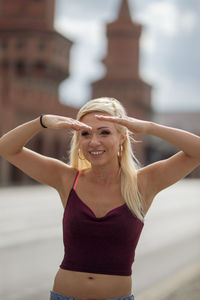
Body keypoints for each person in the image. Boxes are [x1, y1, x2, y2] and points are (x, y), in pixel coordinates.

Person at [0, 97, 199, 300]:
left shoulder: (142, 183)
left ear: (122, 137)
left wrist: (148, 127)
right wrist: (41, 122)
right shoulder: (68, 179)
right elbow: (6, 148)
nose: (94, 142)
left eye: (104, 132)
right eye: (85, 133)